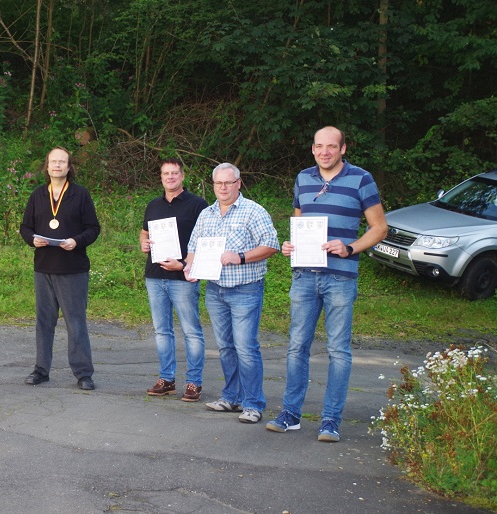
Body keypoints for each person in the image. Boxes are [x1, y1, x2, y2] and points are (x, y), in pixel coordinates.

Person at [266, 126, 387, 442]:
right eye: (319, 146)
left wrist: (349, 247)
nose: (325, 152)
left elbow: (379, 228)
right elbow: (300, 220)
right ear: (312, 149)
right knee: (296, 347)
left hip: (339, 278)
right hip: (304, 276)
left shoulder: (361, 179)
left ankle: (331, 421)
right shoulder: (303, 178)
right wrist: (290, 245)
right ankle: (291, 414)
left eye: (331, 147)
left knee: (338, 350)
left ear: (343, 149)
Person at [184, 163, 280, 423]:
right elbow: (194, 246)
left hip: (245, 289)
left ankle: (253, 403)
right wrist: (190, 266)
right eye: (218, 183)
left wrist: (241, 257)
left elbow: (271, 245)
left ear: (239, 183)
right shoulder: (206, 214)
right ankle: (232, 397)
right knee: (226, 347)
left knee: (246, 348)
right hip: (215, 289)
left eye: (228, 183)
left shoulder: (253, 211)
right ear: (213, 185)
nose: (223, 188)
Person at [19, 147, 100, 390]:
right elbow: (25, 227)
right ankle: (41, 369)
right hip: (43, 268)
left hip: (72, 268)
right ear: (47, 166)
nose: (57, 166)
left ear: (68, 166)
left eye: (62, 162)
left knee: (75, 322)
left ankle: (83, 373)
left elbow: (93, 228)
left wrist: (76, 241)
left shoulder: (80, 195)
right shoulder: (37, 195)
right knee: (44, 321)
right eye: (53, 161)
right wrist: (31, 239)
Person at [140, 158, 209, 402]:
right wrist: (143, 242)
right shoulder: (153, 205)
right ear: (161, 177)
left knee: (191, 331)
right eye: (165, 173)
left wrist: (185, 265)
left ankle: (194, 383)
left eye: (174, 173)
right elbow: (145, 231)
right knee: (162, 331)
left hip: (183, 276)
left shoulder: (198, 205)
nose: (170, 177)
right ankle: (166, 379)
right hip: (155, 276)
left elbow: (206, 240)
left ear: (182, 176)